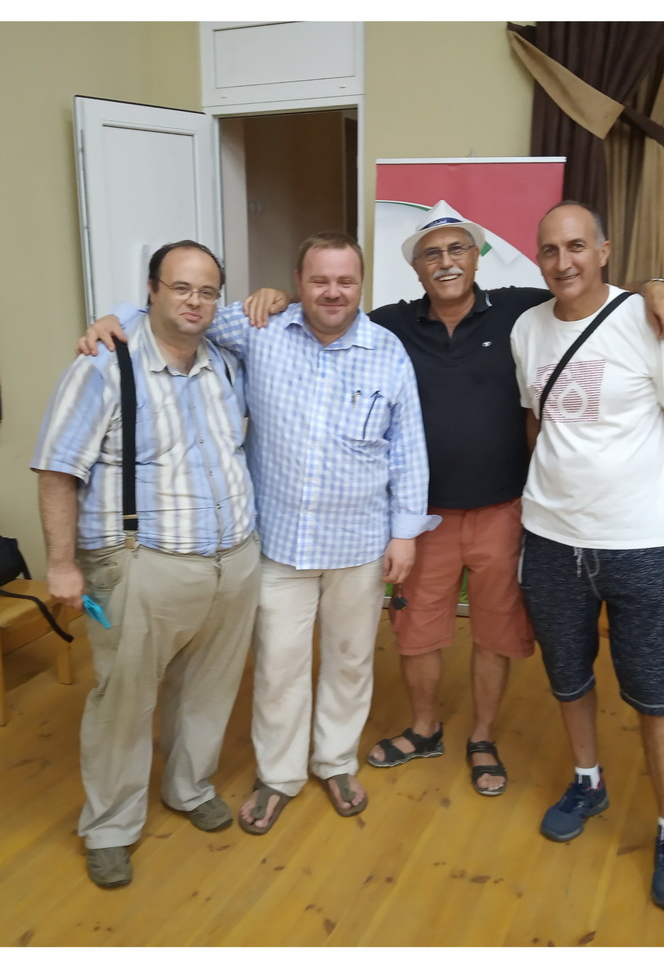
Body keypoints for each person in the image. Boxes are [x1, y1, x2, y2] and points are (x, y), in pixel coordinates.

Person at [201, 201, 664, 797]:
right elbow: (316, 311)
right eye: (432, 253)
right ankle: (425, 728)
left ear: (477, 258)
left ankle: (482, 736)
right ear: (416, 268)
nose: (446, 261)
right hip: (425, 517)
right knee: (418, 632)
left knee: (494, 633)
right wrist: (274, 297)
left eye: (458, 249)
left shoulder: (520, 308)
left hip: (505, 510)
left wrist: (654, 286)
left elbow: (586, 287)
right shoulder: (389, 326)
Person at [86, 232, 438, 836]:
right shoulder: (257, 328)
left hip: (360, 544)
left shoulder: (388, 351)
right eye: (319, 280)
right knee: (278, 667)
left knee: (351, 662)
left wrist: (405, 534)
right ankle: (279, 774)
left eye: (345, 281)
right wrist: (113, 319)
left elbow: (408, 447)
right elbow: (179, 311)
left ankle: (335, 761)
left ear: (361, 285)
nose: (333, 292)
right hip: (278, 543)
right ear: (298, 283)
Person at [32, 241, 261, 889]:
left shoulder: (225, 362)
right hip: (142, 563)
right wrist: (61, 564)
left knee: (210, 689)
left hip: (233, 558)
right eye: (181, 287)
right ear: (152, 291)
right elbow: (57, 469)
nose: (195, 302)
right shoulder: (103, 364)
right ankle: (109, 825)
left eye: (208, 291)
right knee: (124, 701)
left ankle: (189, 787)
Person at [511, 202, 664, 911]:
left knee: (657, 693)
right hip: (550, 540)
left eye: (576, 246)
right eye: (549, 249)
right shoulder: (526, 329)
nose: (562, 261)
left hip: (637, 544)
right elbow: (537, 421)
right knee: (568, 677)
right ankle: (588, 781)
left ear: (603, 250)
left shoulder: (650, 320)